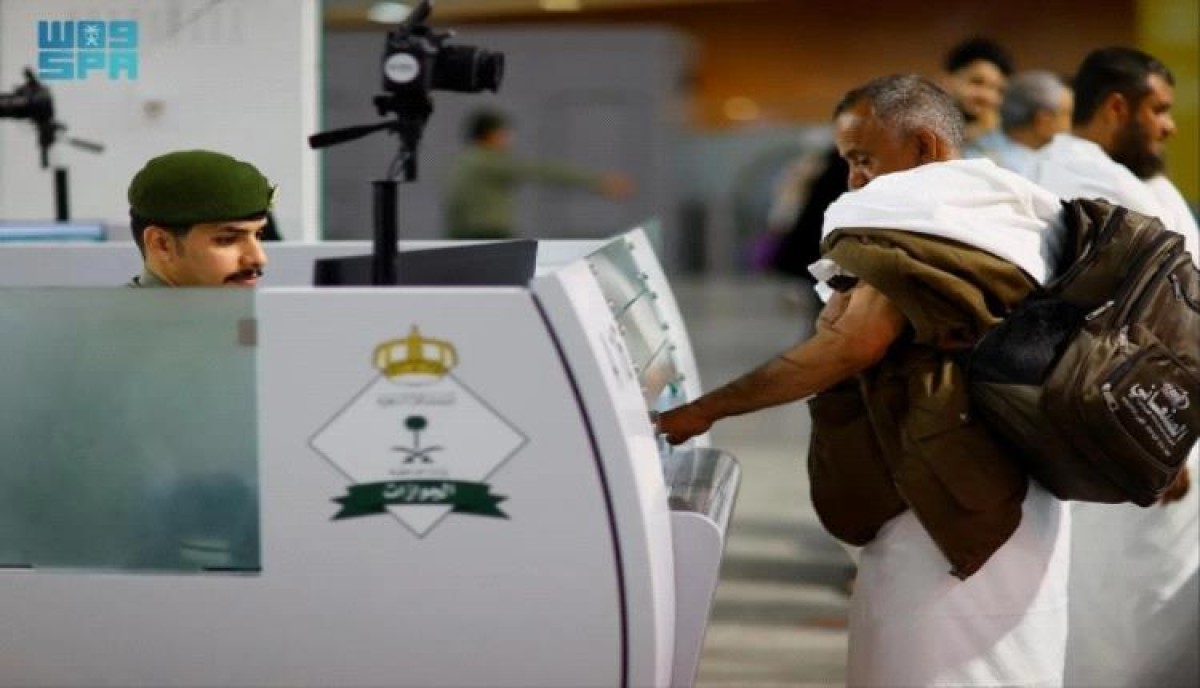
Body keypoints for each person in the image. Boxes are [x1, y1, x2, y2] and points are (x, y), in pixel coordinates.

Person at [658, 74, 1071, 686]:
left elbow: (851, 345)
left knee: (936, 659)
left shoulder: (924, 224)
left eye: (862, 159)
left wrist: (704, 410)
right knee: (1012, 652)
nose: (854, 179)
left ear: (926, 147)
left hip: (944, 489)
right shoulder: (1010, 207)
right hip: (1020, 480)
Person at [1028, 46, 1199, 688]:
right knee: (1120, 603)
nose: (1169, 125)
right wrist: (1161, 443)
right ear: (1116, 107)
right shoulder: (1085, 182)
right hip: (1137, 427)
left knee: (1145, 595)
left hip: (1162, 421)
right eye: (1158, 110)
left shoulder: (1134, 179)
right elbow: (1112, 326)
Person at [442, 108, 633, 240]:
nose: (508, 139)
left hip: (466, 234)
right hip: (485, 235)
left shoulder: (466, 159)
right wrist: (597, 182)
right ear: (491, 134)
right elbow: (540, 171)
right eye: (503, 133)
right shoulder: (487, 160)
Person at [126, 149, 275, 287]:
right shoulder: (117, 315)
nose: (259, 258)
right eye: (227, 239)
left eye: (259, 235)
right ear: (162, 244)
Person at [938, 37, 1015, 157]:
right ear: (947, 81)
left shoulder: (1007, 146)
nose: (988, 96)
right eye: (977, 82)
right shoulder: (918, 131)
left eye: (998, 90)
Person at [986, 70, 1073, 176]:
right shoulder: (993, 165)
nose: (1070, 123)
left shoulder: (1049, 154)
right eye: (1066, 114)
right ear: (1044, 119)